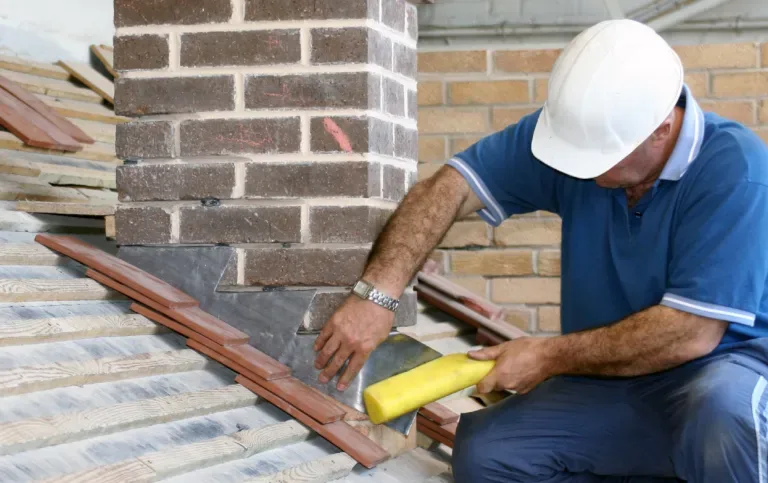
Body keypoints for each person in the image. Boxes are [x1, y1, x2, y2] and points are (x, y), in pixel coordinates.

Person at [313, 18, 768, 482]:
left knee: (725, 413)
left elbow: (690, 333)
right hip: (617, 381)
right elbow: (447, 188)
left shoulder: (735, 168)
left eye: (596, 161)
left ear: (660, 129)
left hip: (725, 372)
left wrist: (547, 356)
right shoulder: (577, 139)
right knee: (489, 452)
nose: (581, 173)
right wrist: (377, 295)